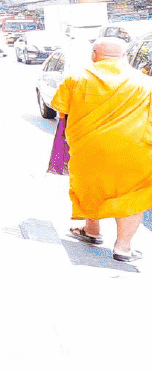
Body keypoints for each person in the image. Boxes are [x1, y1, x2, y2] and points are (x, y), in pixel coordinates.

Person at [54, 37, 152, 263]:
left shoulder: (75, 78)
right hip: (134, 150)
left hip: (90, 149)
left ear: (94, 54)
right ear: (124, 56)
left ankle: (92, 230)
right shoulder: (145, 83)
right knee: (132, 196)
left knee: (91, 188)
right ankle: (123, 247)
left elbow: (61, 112)